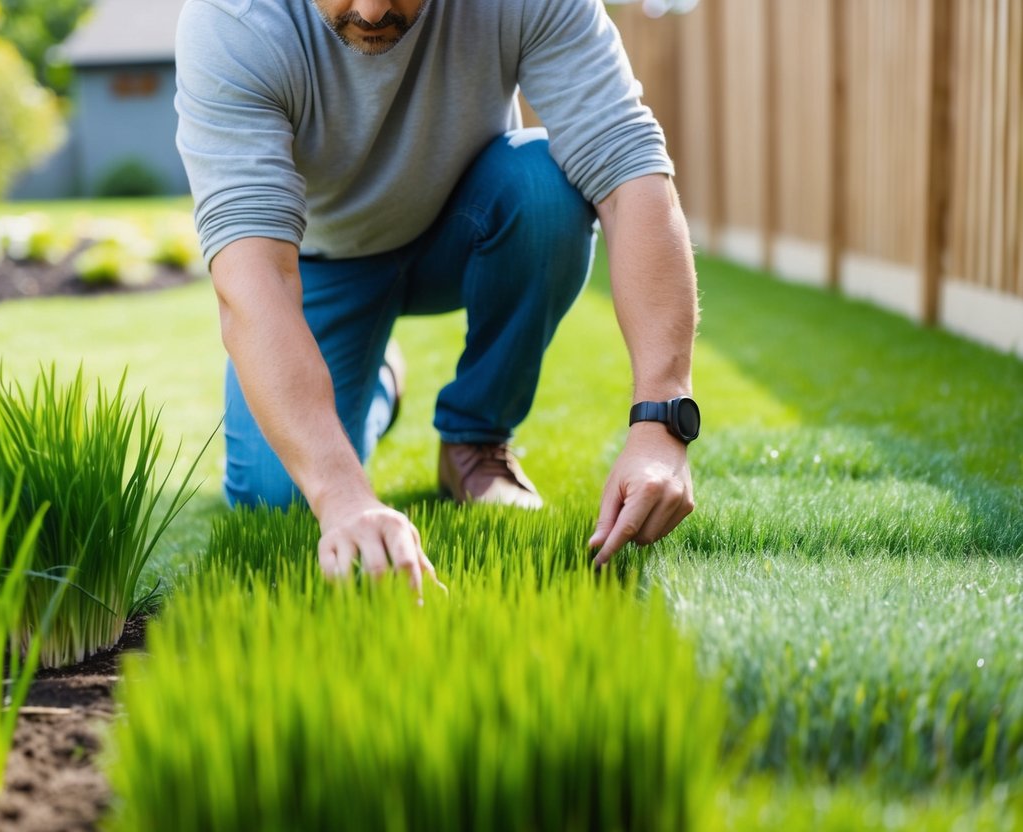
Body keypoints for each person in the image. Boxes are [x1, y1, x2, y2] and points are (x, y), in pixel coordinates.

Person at [175, 0, 699, 598]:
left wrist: (663, 422)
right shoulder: (231, 20)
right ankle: (382, 384)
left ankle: (475, 439)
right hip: (321, 262)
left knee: (545, 189)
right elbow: (252, 280)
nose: (371, 12)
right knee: (277, 500)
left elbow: (630, 173)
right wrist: (342, 494)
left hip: (468, 222)